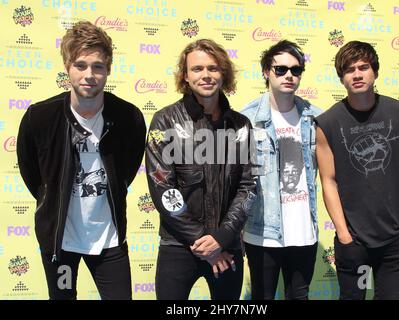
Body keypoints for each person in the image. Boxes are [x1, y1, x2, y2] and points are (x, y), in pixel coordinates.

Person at [16, 21, 146, 300]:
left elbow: (128, 168)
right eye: (81, 65)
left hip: (109, 240)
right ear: (67, 66)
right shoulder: (39, 118)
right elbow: (33, 175)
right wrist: (53, 194)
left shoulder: (128, 117)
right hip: (60, 241)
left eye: (98, 66)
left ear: (108, 69)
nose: (90, 75)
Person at [145, 38, 256, 300]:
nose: (206, 75)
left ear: (223, 73)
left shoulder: (241, 125)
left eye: (213, 68)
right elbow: (163, 188)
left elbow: (248, 186)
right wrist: (204, 242)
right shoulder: (164, 120)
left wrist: (221, 238)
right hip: (179, 246)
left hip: (227, 247)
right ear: (185, 75)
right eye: (197, 69)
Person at [315, 40, 399, 300]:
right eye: (350, 69)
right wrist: (344, 234)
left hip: (397, 239)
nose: (357, 74)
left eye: (363, 67)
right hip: (354, 243)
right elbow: (328, 180)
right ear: (341, 77)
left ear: (375, 71)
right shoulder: (327, 122)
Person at [241, 40, 321, 300]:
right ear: (266, 72)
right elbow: (235, 182)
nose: (289, 75)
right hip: (262, 232)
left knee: (299, 295)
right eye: (281, 69)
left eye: (296, 70)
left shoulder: (316, 118)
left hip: (304, 231)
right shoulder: (247, 119)